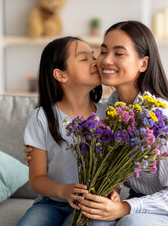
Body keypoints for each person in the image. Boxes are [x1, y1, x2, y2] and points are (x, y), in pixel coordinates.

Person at [24, 21, 168, 226]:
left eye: (119, 53)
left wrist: (125, 207)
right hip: (139, 200)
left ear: (143, 64)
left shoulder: (161, 116)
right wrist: (42, 150)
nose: (105, 61)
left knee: (130, 223)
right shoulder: (112, 109)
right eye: (103, 52)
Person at [16, 36, 109, 226]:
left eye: (93, 56)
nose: (96, 62)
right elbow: (36, 179)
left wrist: (112, 190)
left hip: (91, 204)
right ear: (61, 75)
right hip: (51, 203)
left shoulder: (109, 115)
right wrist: (64, 191)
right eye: (84, 59)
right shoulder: (42, 117)